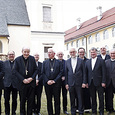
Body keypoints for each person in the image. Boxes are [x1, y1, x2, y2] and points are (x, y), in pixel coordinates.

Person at [14, 47, 38, 115]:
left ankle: (29, 113)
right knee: (22, 100)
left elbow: (36, 69)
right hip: (22, 83)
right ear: (22, 52)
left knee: (31, 100)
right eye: (25, 52)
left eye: (28, 52)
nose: (26, 53)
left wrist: (32, 78)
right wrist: (23, 79)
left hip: (31, 83)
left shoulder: (32, 59)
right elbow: (15, 71)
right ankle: (22, 113)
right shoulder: (18, 59)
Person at [85, 47, 106, 115]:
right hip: (91, 83)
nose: (93, 53)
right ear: (90, 53)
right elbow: (86, 73)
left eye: (94, 52)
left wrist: (103, 81)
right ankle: (94, 111)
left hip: (99, 82)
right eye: (91, 52)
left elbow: (104, 72)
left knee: (101, 97)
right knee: (93, 98)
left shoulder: (101, 60)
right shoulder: (87, 62)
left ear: (96, 53)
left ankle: (101, 111)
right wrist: (86, 82)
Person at [42, 48, 63, 115]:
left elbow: (61, 72)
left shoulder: (59, 62)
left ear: (54, 54)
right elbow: (42, 73)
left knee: (57, 100)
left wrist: (54, 80)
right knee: (49, 100)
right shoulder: (44, 62)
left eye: (50, 52)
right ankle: (50, 113)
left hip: (56, 84)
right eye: (48, 52)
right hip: (47, 84)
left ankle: (57, 113)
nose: (49, 54)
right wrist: (47, 81)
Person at [65, 47, 86, 115]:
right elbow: (66, 73)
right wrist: (66, 84)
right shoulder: (67, 61)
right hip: (70, 83)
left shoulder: (81, 60)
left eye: (73, 52)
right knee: (72, 98)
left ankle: (81, 111)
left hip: (79, 82)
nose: (72, 53)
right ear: (69, 53)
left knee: (80, 98)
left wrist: (84, 82)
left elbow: (84, 72)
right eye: (71, 52)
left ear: (76, 52)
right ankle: (73, 111)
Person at [3, 51, 18, 115]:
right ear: (7, 55)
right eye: (10, 54)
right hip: (7, 84)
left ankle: (13, 112)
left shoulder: (17, 63)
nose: (11, 55)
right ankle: (7, 113)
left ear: (14, 55)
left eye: (12, 54)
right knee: (6, 100)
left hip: (15, 84)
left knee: (14, 100)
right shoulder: (4, 63)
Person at [77, 47, 91, 113]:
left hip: (86, 81)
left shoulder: (88, 61)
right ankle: (78, 108)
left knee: (86, 94)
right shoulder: (75, 60)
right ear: (78, 53)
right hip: (77, 81)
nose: (81, 53)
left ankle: (87, 108)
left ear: (84, 53)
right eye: (80, 52)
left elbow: (89, 72)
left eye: (82, 52)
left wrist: (86, 82)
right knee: (78, 95)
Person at [97, 46, 111, 112]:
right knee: (101, 95)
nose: (102, 49)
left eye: (104, 48)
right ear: (100, 50)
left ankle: (108, 107)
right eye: (101, 48)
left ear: (106, 50)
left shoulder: (109, 56)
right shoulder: (97, 57)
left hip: (108, 78)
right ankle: (101, 108)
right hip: (100, 79)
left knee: (108, 94)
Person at [105, 49, 115, 114]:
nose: (113, 55)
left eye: (114, 53)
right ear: (109, 54)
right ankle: (110, 109)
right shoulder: (106, 62)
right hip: (109, 82)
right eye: (111, 53)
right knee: (109, 97)